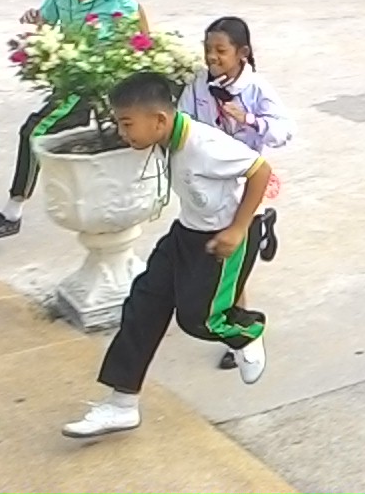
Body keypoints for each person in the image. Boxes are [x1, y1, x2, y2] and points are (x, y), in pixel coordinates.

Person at [62, 72, 272, 439]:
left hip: (226, 238)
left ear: (159, 119)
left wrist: (238, 229)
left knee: (198, 318)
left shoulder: (205, 146)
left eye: (127, 124)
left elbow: (260, 171)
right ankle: (121, 404)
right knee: (142, 305)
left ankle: (247, 332)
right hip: (186, 234)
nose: (122, 133)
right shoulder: (164, 137)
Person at [0, 0, 148, 241]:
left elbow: (142, 31)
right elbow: (47, 23)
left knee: (35, 132)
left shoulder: (117, 1)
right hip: (72, 81)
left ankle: (12, 214)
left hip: (96, 85)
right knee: (89, 139)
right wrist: (36, 20)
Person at [177, 17, 292, 371]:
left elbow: (284, 132)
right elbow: (182, 118)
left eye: (220, 51)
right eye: (207, 49)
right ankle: (260, 232)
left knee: (228, 262)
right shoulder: (198, 84)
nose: (212, 57)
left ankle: (239, 335)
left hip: (244, 183)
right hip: (208, 183)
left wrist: (249, 120)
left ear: (242, 53)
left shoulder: (257, 89)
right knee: (221, 259)